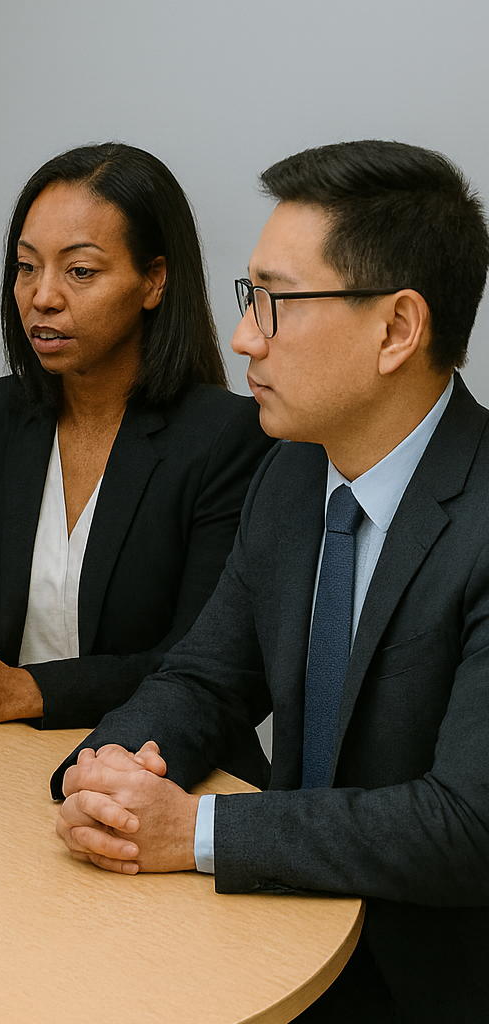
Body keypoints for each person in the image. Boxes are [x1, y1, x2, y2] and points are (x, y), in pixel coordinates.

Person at [52, 140, 489, 1021]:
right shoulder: (291, 471)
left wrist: (195, 831)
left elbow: (466, 828)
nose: (244, 336)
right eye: (249, 297)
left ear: (397, 329)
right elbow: (206, 677)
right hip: (275, 939)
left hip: (435, 984)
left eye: (276, 302)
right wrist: (107, 772)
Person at [0, 145, 272, 777]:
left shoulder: (227, 435)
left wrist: (25, 691)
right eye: (25, 267)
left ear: (154, 280)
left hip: (165, 773)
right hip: (6, 760)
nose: (42, 297)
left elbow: (199, 666)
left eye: (80, 271)